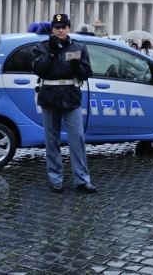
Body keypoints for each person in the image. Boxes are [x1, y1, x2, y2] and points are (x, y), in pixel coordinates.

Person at [31, 13, 96, 194]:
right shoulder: (42, 47)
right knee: (52, 140)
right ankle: (55, 179)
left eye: (64, 26)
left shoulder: (78, 46)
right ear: (52, 29)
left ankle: (82, 180)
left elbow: (86, 72)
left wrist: (78, 68)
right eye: (57, 27)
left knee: (77, 138)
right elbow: (39, 70)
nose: (60, 30)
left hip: (70, 96)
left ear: (69, 28)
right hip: (50, 96)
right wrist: (51, 54)